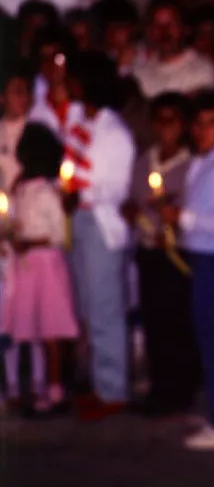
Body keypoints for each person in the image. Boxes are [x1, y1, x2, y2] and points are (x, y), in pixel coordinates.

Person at [159, 91, 214, 450]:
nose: (204, 130)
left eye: (212, 123)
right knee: (212, 338)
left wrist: (184, 217)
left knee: (213, 341)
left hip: (213, 260)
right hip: (200, 257)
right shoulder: (201, 163)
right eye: (199, 123)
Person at [63, 52, 135, 421]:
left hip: (103, 226)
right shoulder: (79, 120)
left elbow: (118, 190)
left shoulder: (116, 133)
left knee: (106, 308)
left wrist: (84, 192)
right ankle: (98, 383)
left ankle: (114, 390)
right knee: (88, 307)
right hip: (81, 219)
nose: (69, 85)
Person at [123, 92, 198, 416]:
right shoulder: (145, 160)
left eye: (172, 120)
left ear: (182, 125)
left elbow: (192, 209)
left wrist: (172, 222)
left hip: (177, 253)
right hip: (148, 252)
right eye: (159, 120)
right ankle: (158, 387)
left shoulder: (191, 165)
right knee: (153, 319)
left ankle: (179, 390)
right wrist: (131, 211)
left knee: (176, 321)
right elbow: (134, 199)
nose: (165, 127)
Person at [2, 123, 78, 416]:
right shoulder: (21, 189)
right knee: (33, 324)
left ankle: (55, 391)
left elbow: (58, 234)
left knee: (51, 329)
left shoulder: (47, 192)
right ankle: (36, 385)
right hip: (28, 266)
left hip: (45, 263)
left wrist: (27, 241)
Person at [132, 0, 214, 99]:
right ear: (150, 31)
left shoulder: (203, 70)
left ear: (185, 29)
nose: (164, 31)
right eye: (158, 25)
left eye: (171, 24)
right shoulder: (139, 75)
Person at [0, 66, 33, 191]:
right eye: (17, 92)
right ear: (2, 97)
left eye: (26, 92)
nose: (23, 98)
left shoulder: (35, 129)